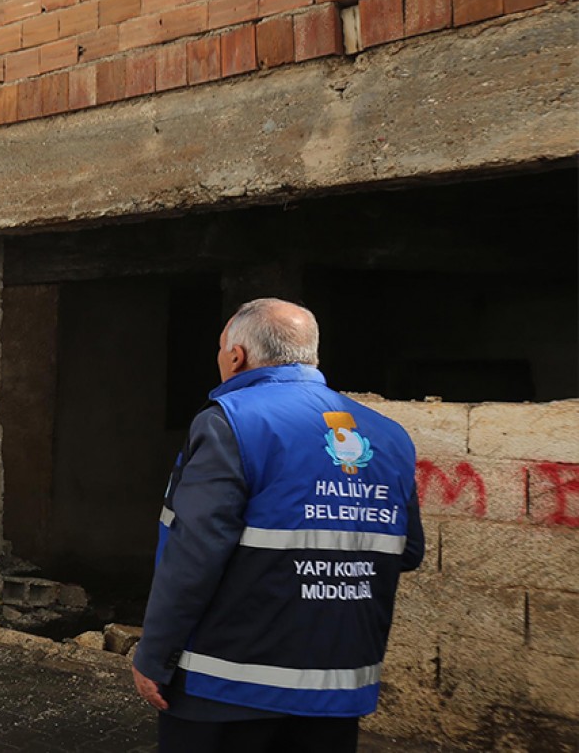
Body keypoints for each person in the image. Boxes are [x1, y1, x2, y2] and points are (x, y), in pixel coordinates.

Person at [132, 298, 424, 752]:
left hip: (225, 682)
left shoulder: (230, 422)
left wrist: (155, 655)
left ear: (236, 356)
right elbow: (407, 551)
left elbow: (194, 553)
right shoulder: (389, 436)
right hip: (337, 684)